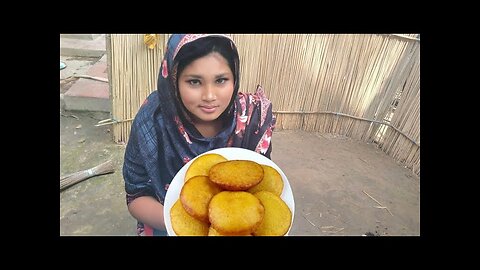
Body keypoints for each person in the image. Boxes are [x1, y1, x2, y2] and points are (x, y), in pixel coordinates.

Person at [123, 34, 276, 236]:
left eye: (221, 80)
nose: (210, 96)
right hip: (167, 221)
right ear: (174, 79)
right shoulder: (152, 121)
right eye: (195, 82)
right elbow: (136, 196)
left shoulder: (252, 120)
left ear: (235, 78)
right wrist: (187, 226)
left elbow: (261, 187)